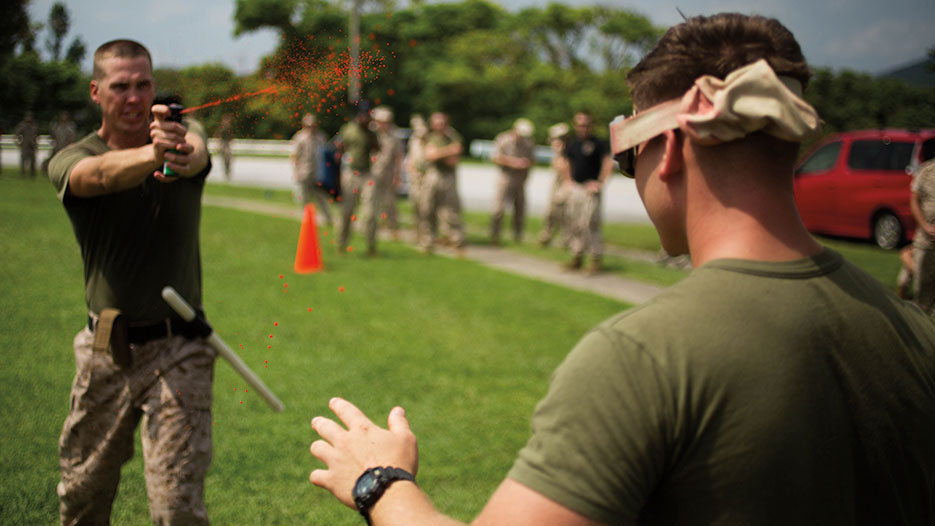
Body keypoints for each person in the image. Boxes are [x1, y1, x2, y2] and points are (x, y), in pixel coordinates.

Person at [307, 13, 935, 526]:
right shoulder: (912, 329)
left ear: (672, 152)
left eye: (630, 154)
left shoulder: (646, 357)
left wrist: (379, 481)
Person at [48, 39, 214, 526]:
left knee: (177, 507)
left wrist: (176, 149)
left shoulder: (183, 136)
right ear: (96, 92)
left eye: (144, 85)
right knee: (84, 495)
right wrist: (150, 154)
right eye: (120, 86)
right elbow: (96, 177)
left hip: (179, 346)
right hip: (106, 347)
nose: (135, 97)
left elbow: (196, 153)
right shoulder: (72, 156)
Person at [559, 111, 613, 274]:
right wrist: (567, 181)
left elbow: (608, 163)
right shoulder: (572, 144)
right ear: (576, 126)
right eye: (581, 125)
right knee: (575, 223)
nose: (584, 128)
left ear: (591, 125)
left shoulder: (598, 144)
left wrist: (600, 182)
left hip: (591, 190)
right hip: (576, 188)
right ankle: (576, 257)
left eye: (587, 125)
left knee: (591, 223)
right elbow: (565, 162)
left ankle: (595, 259)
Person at [336, 101, 380, 255]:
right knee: (347, 212)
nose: (364, 117)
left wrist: (370, 131)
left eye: (367, 115)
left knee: (370, 213)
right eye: (362, 114)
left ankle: (371, 246)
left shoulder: (371, 131)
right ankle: (341, 244)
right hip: (351, 173)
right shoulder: (348, 129)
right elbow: (339, 149)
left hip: (367, 174)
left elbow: (377, 148)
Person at [419, 111, 465, 255]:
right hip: (433, 175)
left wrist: (441, 153)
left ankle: (455, 240)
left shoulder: (453, 137)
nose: (440, 126)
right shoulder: (430, 137)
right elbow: (430, 156)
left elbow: (453, 159)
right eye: (437, 123)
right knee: (427, 209)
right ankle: (428, 240)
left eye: (442, 123)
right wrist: (448, 151)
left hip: (448, 176)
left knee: (451, 210)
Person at [490, 118, 536, 245]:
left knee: (520, 208)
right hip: (505, 177)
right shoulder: (503, 139)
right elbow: (495, 157)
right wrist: (513, 162)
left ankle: (518, 236)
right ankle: (495, 234)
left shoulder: (529, 143)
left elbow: (533, 159)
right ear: (514, 130)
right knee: (498, 208)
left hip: (520, 179)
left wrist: (527, 163)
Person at [291, 112, 334, 226]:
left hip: (318, 172)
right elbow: (295, 156)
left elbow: (327, 154)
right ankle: (306, 218)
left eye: (313, 125)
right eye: (309, 126)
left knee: (321, 196)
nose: (311, 128)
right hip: (305, 171)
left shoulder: (321, 137)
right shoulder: (300, 137)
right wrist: (296, 171)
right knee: (305, 197)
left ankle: (327, 218)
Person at [371, 105, 403, 240]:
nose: (383, 123)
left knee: (390, 201)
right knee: (372, 199)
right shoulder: (371, 133)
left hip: (388, 172)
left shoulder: (394, 136)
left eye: (386, 121)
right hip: (372, 172)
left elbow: (398, 157)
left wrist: (397, 175)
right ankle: (373, 225)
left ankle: (392, 226)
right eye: (381, 120)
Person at [537, 122, 572, 248]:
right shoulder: (558, 150)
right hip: (556, 182)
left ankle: (565, 239)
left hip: (564, 183)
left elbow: (564, 168)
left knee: (562, 212)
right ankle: (546, 236)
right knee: (551, 212)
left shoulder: (567, 152)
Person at [911, 156, 935, 313]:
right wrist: (925, 226)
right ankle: (921, 322)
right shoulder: (926, 171)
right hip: (926, 241)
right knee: (922, 285)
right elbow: (914, 201)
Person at [404, 114, 429, 241]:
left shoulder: (429, 139)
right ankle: (417, 232)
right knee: (415, 205)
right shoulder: (413, 140)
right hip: (415, 177)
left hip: (426, 177)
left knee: (426, 207)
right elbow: (410, 157)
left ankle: (426, 234)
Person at [14, 111, 39, 178]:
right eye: (27, 117)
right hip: (24, 146)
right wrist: (18, 143)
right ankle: (23, 174)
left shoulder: (34, 126)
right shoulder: (22, 126)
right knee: (23, 161)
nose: (29, 118)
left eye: (30, 117)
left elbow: (36, 135)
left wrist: (36, 143)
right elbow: (16, 135)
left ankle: (32, 174)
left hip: (32, 146)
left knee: (33, 161)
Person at [217, 112, 234, 180]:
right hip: (223, 143)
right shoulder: (222, 127)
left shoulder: (229, 127)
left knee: (228, 157)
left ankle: (228, 170)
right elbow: (219, 135)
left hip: (227, 143)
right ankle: (226, 170)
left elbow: (231, 136)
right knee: (224, 158)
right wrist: (218, 144)